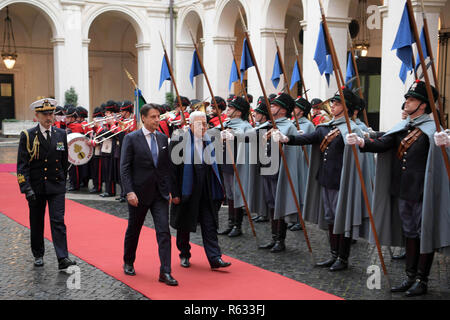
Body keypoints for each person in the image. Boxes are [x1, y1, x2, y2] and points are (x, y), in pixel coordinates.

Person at [346, 80, 450, 296]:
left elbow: (444, 164)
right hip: (403, 190)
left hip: (424, 192)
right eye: (407, 99)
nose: (406, 103)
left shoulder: (434, 130)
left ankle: (422, 280)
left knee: (424, 234)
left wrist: (446, 146)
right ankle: (410, 276)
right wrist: (362, 143)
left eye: (411, 100)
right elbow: (385, 143)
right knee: (410, 234)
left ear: (422, 105)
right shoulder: (404, 126)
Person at [271, 87, 372, 269]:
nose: (332, 105)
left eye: (337, 103)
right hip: (326, 179)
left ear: (346, 106)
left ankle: (343, 258)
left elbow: (360, 156)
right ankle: (333, 254)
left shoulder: (352, 128)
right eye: (332, 102)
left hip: (343, 181)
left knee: (343, 218)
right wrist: (287, 139)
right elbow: (308, 138)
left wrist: (355, 144)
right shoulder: (325, 128)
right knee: (331, 218)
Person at [120, 103, 177, 286]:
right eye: (153, 117)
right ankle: (128, 260)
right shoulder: (131, 138)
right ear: (143, 118)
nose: (156, 120)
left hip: (159, 194)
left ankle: (165, 271)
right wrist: (129, 191)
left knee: (164, 232)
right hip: (138, 193)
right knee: (134, 229)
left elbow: (166, 167)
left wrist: (170, 190)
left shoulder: (162, 138)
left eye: (158, 117)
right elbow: (125, 168)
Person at [16, 98, 76, 270]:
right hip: (36, 187)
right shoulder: (28, 136)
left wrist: (63, 180)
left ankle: (62, 257)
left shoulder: (61, 134)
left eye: (51, 113)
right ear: (37, 115)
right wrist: (26, 188)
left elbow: (64, 161)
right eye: (45, 114)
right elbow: (22, 165)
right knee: (37, 222)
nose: (49, 117)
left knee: (58, 221)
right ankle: (38, 254)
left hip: (56, 185)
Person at [169, 111, 231, 270]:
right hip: (187, 188)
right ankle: (184, 253)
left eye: (205, 124)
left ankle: (215, 257)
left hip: (207, 188)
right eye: (199, 124)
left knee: (209, 223)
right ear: (190, 125)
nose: (203, 127)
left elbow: (217, 166)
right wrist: (174, 193)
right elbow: (171, 170)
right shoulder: (179, 140)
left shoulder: (210, 140)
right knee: (184, 223)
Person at [216, 97, 253, 238]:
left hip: (238, 164)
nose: (228, 110)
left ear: (238, 112)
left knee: (238, 194)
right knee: (230, 194)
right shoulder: (225, 123)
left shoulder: (245, 126)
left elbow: (250, 139)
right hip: (226, 163)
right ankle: (231, 223)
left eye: (231, 108)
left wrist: (235, 135)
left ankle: (238, 225)